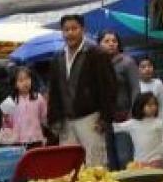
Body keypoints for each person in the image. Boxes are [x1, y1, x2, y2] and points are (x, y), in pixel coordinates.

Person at [47, 14, 116, 167]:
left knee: (96, 164)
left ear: (83, 29)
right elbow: (54, 90)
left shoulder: (97, 54)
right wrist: (53, 118)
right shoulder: (57, 57)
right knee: (68, 167)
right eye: (66, 30)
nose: (70, 33)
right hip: (66, 120)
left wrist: (105, 117)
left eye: (74, 28)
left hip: (91, 118)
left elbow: (109, 87)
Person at [98, 30, 140, 170]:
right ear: (99, 44)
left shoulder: (127, 62)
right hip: (104, 118)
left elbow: (135, 89)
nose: (111, 44)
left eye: (114, 41)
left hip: (124, 116)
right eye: (107, 41)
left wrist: (133, 113)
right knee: (109, 159)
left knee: (124, 157)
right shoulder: (97, 64)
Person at [112, 93, 163, 168]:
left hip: (156, 160)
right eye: (149, 105)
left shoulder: (159, 123)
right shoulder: (132, 123)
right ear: (140, 107)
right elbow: (116, 128)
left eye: (155, 104)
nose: (153, 107)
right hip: (139, 162)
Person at [0, 66, 47, 147]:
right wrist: (5, 118)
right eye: (21, 80)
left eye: (27, 79)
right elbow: (5, 125)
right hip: (17, 142)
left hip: (36, 140)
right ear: (15, 84)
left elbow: (44, 118)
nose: (25, 83)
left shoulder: (38, 97)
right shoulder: (10, 101)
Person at [138, 57, 163, 122]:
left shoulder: (158, 83)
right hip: (140, 121)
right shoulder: (136, 84)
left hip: (157, 121)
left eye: (149, 66)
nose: (147, 69)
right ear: (138, 69)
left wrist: (161, 121)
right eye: (143, 67)